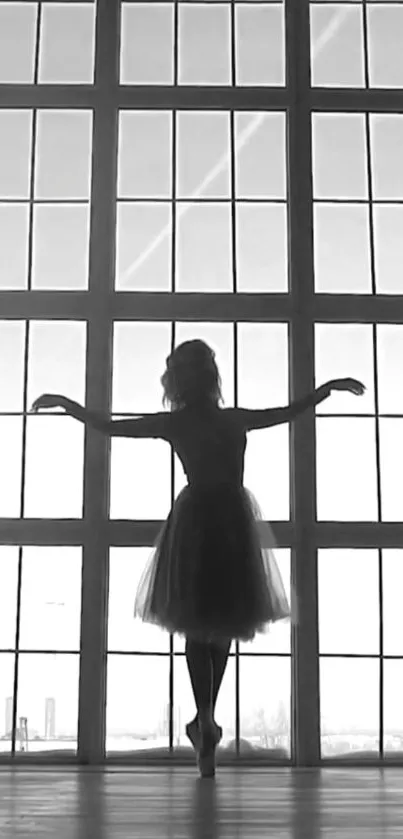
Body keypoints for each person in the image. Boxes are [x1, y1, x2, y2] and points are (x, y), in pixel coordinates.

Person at [30, 338, 365, 777]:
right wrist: (327, 388)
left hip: (195, 517)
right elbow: (287, 412)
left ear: (177, 382)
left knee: (196, 621)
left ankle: (204, 717)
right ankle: (206, 720)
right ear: (212, 378)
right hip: (230, 517)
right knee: (225, 618)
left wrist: (67, 404)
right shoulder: (233, 419)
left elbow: (111, 426)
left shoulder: (178, 423)